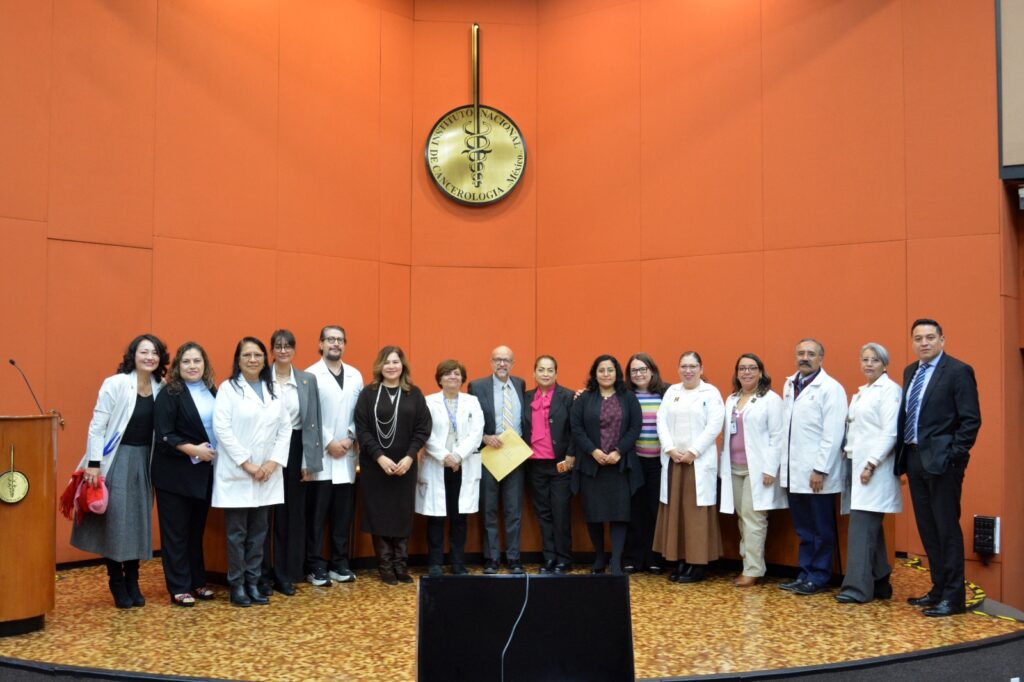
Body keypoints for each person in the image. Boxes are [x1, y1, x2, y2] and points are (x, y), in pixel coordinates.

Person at [73, 334, 168, 608]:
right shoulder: (115, 384)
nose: (149, 357)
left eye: (155, 352)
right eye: (144, 352)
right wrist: (94, 464)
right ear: (133, 355)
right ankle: (116, 580)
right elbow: (97, 426)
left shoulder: (161, 387)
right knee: (115, 522)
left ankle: (133, 580)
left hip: (144, 460)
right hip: (116, 459)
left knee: (137, 521)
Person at [895, 319, 981, 617]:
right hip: (914, 459)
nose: (924, 343)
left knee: (946, 529)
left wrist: (953, 456)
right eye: (918, 338)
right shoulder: (910, 371)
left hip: (943, 463)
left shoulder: (958, 371)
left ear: (942, 340)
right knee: (928, 529)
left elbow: (971, 420)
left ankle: (954, 598)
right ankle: (938, 589)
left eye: (930, 337)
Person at [212, 337, 292, 607]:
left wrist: (272, 463)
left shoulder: (274, 389)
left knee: (259, 534)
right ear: (238, 359)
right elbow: (222, 429)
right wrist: (247, 463)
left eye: (257, 354)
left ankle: (253, 582)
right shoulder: (228, 389)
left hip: (267, 473)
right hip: (238, 472)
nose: (253, 360)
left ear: (265, 359)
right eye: (246, 355)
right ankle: (237, 585)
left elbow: (285, 428)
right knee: (237, 535)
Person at [353, 346, 432, 585]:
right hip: (375, 466)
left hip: (405, 465)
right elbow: (362, 429)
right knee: (380, 515)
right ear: (379, 366)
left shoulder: (414, 394)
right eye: (386, 362)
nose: (391, 366)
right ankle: (385, 567)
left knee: (401, 514)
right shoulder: (368, 394)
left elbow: (423, 428)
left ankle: (401, 565)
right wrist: (380, 457)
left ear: (402, 365)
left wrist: (409, 457)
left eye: (395, 362)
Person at [153, 341, 218, 606]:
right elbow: (164, 435)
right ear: (178, 366)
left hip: (202, 474)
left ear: (205, 364)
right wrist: (194, 450)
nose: (192, 366)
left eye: (197, 361)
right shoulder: (170, 393)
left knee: (195, 531)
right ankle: (179, 587)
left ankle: (198, 581)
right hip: (174, 476)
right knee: (176, 535)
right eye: (187, 361)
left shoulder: (211, 390)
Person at [780, 339, 847, 596]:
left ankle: (819, 575)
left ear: (821, 358)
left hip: (817, 474)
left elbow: (833, 433)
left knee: (820, 529)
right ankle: (805, 573)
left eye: (811, 354)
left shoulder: (831, 388)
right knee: (804, 528)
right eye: (801, 353)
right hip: (794, 472)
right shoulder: (790, 385)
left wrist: (820, 469)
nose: (805, 357)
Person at [836, 343, 902, 604]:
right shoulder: (863, 392)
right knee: (869, 526)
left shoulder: (889, 391)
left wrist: (871, 463)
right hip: (855, 463)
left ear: (884, 364)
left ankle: (857, 589)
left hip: (873, 469)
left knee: (861, 528)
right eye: (865, 359)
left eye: (875, 360)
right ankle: (880, 580)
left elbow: (890, 432)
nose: (869, 364)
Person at [260, 329, 323, 597]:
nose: (283, 350)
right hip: (266, 448)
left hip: (296, 448)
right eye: (278, 346)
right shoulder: (261, 378)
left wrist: (309, 461)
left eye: (288, 346)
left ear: (295, 349)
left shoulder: (307, 380)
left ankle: (285, 574)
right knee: (264, 513)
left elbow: (313, 422)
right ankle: (262, 574)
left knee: (291, 514)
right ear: (272, 350)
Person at [653, 351, 724, 584]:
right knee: (676, 512)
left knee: (695, 514)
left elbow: (714, 425)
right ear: (678, 369)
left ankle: (697, 563)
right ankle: (681, 559)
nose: (688, 370)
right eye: (684, 366)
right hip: (674, 461)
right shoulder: (672, 392)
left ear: (701, 369)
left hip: (697, 462)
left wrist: (693, 451)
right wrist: (670, 448)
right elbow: (661, 421)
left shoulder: (710, 393)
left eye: (693, 366)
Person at [570, 355, 643, 576]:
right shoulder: (584, 398)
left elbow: (635, 427)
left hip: (619, 466)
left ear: (617, 373)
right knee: (594, 514)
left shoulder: (628, 397)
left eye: (610, 370)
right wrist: (593, 451)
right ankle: (599, 557)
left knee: (620, 514)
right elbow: (576, 427)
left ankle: (616, 560)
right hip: (592, 466)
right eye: (601, 370)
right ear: (595, 373)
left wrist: (619, 450)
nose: (606, 374)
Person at [718, 353, 787, 587]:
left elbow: (778, 436)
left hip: (757, 470)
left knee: (753, 518)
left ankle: (753, 569)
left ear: (760, 372)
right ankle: (748, 563)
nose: (746, 372)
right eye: (742, 368)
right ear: (736, 373)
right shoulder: (731, 399)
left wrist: (770, 469)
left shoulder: (771, 399)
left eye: (752, 368)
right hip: (733, 468)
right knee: (743, 518)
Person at [305, 325, 363, 586]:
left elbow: (360, 413)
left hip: (347, 455)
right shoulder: (310, 374)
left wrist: (350, 437)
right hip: (322, 456)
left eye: (340, 339)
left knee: (342, 516)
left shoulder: (355, 375)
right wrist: (329, 442)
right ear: (321, 344)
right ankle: (315, 565)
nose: (335, 344)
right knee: (317, 517)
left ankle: (340, 563)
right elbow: (310, 414)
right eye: (330, 339)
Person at [417, 359, 484, 576]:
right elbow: (425, 433)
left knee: (459, 517)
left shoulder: (472, 401)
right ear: (440, 379)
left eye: (456, 373)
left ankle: (457, 563)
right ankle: (435, 563)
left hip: (462, 465)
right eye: (447, 374)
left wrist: (457, 456)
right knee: (436, 517)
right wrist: (445, 456)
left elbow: (477, 433)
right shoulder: (428, 402)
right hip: (437, 464)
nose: (452, 377)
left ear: (462, 378)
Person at [468, 346, 528, 574]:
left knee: (514, 510)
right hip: (489, 455)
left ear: (513, 363)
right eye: (497, 360)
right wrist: (483, 437)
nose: (502, 364)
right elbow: (469, 420)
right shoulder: (477, 386)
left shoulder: (520, 384)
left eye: (506, 360)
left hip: (515, 456)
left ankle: (513, 558)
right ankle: (491, 558)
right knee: (489, 508)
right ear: (491, 362)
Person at [523, 355, 576, 574]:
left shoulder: (568, 396)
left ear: (556, 373)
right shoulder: (526, 397)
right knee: (543, 513)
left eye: (550, 370)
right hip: (535, 464)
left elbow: (575, 428)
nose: (545, 374)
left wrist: (571, 454)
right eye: (541, 370)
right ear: (534, 373)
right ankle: (550, 558)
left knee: (561, 512)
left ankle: (564, 558)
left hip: (560, 464)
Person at [622, 352, 669, 574]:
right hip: (634, 462)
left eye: (643, 369)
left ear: (652, 371)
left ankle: (654, 557)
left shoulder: (666, 394)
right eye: (634, 370)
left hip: (659, 463)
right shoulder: (625, 395)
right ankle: (633, 558)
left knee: (654, 511)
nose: (638, 374)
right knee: (634, 510)